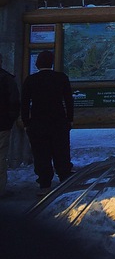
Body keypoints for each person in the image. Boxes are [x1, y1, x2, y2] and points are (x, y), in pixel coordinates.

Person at [21, 50, 74, 194]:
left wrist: (26, 122)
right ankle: (64, 179)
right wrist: (69, 119)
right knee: (61, 152)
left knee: (41, 154)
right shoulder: (61, 78)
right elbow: (69, 100)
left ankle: (44, 184)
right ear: (51, 63)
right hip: (58, 122)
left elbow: (24, 103)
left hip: (38, 123)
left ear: (38, 63)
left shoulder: (30, 80)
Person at [0, 55, 21, 198]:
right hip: (2, 125)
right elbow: (14, 102)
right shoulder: (6, 79)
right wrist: (10, 120)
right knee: (1, 158)